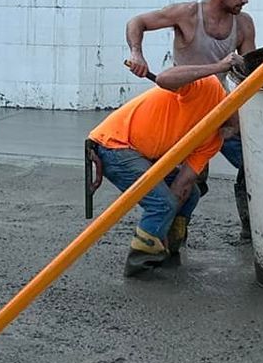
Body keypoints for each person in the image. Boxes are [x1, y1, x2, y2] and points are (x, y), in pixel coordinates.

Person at [124, 0, 257, 239]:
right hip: (184, 111)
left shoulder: (243, 24)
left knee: (254, 162)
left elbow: (249, 71)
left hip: (221, 109)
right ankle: (169, 233)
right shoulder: (187, 14)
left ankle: (253, 229)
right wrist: (137, 53)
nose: (245, 0)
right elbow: (137, 22)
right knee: (189, 179)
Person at [89, 56, 243, 277]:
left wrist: (164, 222)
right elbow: (164, 78)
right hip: (115, 144)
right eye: (237, 124)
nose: (233, 131)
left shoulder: (215, 138)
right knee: (161, 204)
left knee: (190, 195)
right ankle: (140, 265)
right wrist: (218, 68)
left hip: (142, 154)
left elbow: (184, 183)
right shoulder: (209, 88)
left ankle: (166, 248)